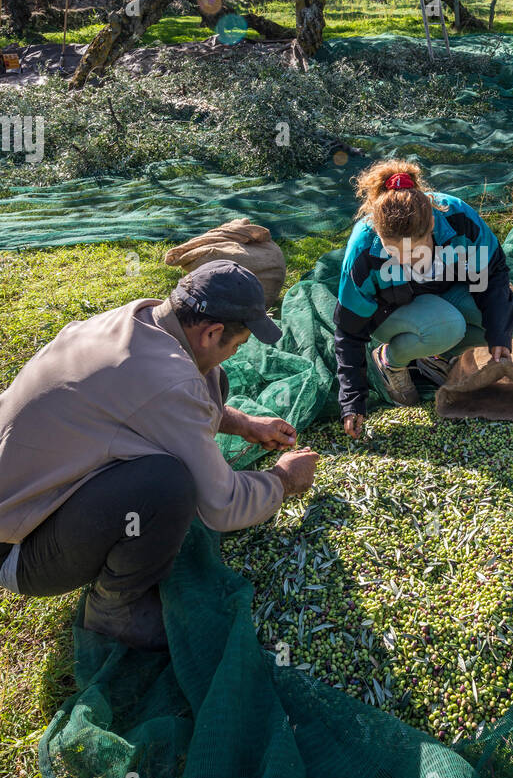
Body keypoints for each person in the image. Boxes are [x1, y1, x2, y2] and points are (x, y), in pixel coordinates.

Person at [0, 261, 319, 649]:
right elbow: (223, 506)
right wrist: (284, 480)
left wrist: (244, 424)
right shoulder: (170, 380)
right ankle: (114, 611)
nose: (234, 354)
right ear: (212, 331)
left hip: (19, 501)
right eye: (236, 346)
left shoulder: (139, 319)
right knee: (165, 485)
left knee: (209, 380)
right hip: (18, 549)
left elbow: (153, 403)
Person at [334, 160, 513, 438]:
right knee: (448, 325)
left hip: (445, 293)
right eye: (394, 252)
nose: (404, 261)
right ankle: (390, 361)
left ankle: (433, 358)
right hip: (391, 313)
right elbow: (349, 331)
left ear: (432, 225)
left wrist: (498, 335)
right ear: (378, 234)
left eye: (415, 253)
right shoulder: (363, 246)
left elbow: (493, 273)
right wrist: (352, 400)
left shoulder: (458, 217)